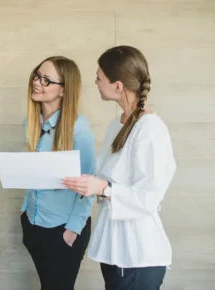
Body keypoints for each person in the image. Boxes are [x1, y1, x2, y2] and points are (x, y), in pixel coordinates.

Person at [62, 45, 176, 290]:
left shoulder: (150, 129)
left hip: (138, 253)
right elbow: (109, 180)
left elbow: (150, 196)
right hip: (115, 248)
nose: (95, 82)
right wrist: (90, 185)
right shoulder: (118, 123)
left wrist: (104, 189)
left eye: (99, 77)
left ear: (118, 86)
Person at [20, 56, 96, 290]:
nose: (37, 82)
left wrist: (72, 230)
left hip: (63, 229)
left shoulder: (78, 127)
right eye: (37, 75)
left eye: (46, 80)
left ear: (64, 90)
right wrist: (25, 212)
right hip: (33, 224)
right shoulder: (30, 122)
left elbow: (89, 185)